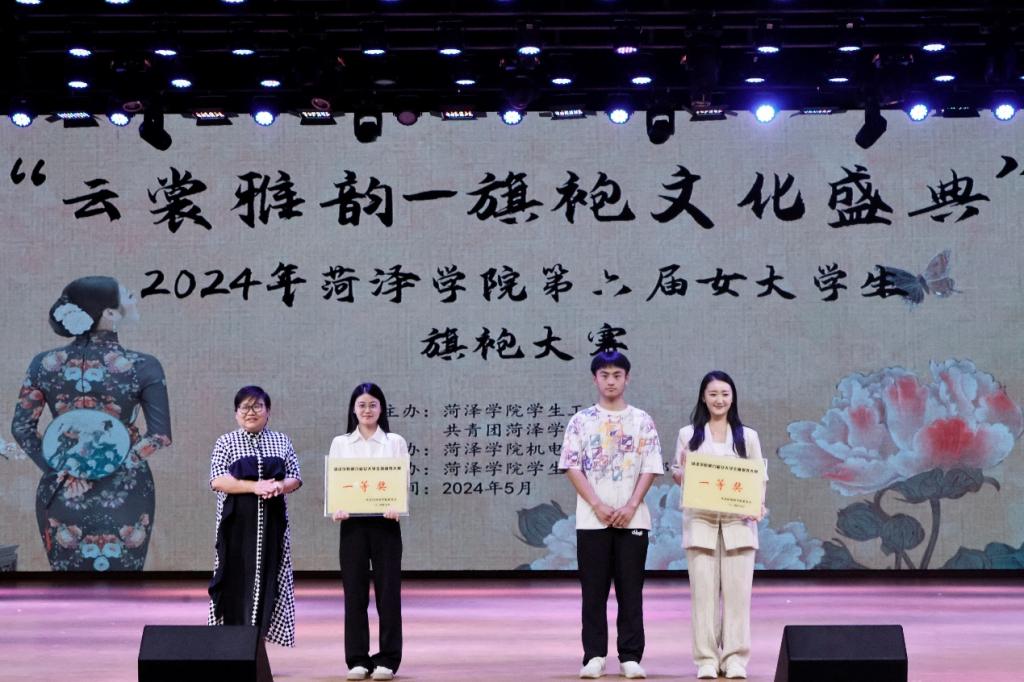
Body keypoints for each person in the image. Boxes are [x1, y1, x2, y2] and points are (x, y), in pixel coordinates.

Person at [11, 276, 171, 571]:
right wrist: (109, 465)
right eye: (127, 295)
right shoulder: (143, 365)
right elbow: (160, 436)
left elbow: (21, 428)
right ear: (109, 313)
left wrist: (62, 469)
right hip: (125, 488)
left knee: (69, 586)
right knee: (123, 584)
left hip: (63, 488)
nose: (134, 298)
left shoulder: (44, 364)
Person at [559, 351, 663, 680]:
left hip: (633, 519)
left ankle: (630, 656)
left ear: (627, 378)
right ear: (595, 379)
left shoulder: (642, 420)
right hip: (593, 521)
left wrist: (631, 505)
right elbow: (571, 466)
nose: (611, 381)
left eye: (617, 374)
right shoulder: (581, 421)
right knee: (594, 592)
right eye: (604, 375)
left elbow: (650, 466)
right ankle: (594, 656)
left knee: (631, 591)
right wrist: (597, 505)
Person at [671, 371, 766, 680]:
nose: (719, 400)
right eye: (713, 394)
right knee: (703, 597)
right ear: (703, 397)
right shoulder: (688, 435)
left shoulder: (747, 436)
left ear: (733, 397)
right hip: (701, 523)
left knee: (738, 597)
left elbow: (758, 479)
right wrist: (682, 473)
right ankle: (706, 659)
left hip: (739, 525)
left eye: (725, 394)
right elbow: (679, 474)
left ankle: (735, 658)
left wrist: (756, 505)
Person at [208, 386, 302, 647]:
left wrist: (279, 486)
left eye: (257, 406)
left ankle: (256, 645)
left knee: (270, 579)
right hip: (236, 527)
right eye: (245, 407)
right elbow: (217, 480)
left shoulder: (281, 441)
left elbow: (295, 477)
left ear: (268, 411)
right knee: (234, 579)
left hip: (273, 527)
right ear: (236, 413)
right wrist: (254, 487)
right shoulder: (226, 442)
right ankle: (232, 644)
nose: (251, 412)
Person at [329, 383, 408, 682]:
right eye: (361, 405)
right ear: (353, 409)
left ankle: (388, 659)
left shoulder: (394, 441)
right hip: (353, 526)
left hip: (386, 525)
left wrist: (397, 505)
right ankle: (357, 659)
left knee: (388, 595)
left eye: (373, 404)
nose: (367, 410)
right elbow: (335, 484)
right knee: (354, 594)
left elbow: (402, 482)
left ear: (381, 408)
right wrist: (336, 507)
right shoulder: (341, 443)